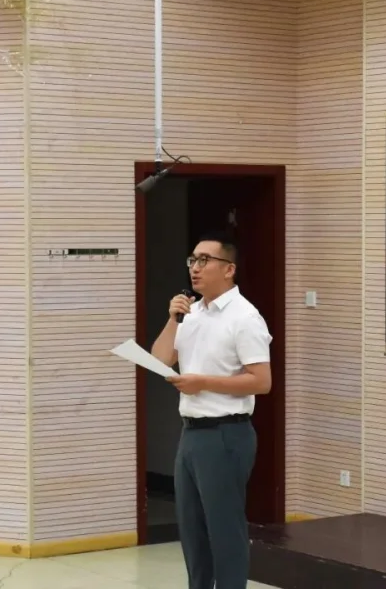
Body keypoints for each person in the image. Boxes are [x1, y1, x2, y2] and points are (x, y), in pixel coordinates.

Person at [151, 231, 273, 589]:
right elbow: (161, 358)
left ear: (229, 269)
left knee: (224, 529)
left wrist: (202, 382)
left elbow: (261, 381)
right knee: (191, 529)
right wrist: (173, 318)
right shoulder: (192, 313)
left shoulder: (244, 317)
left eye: (205, 260)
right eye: (192, 260)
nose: (195, 268)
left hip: (225, 433)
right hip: (191, 433)